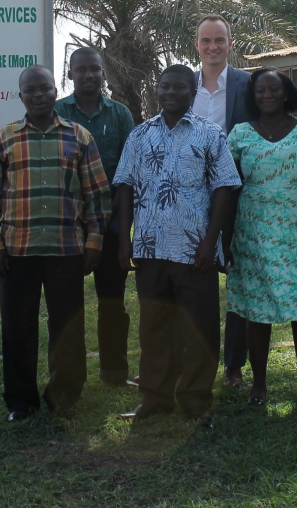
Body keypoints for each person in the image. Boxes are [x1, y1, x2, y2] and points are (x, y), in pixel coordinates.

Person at [0, 65, 112, 422]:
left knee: (66, 327)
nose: (38, 95)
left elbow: (98, 196)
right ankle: (20, 402)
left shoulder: (79, 137)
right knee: (17, 328)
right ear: (20, 95)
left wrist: (95, 243)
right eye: (30, 90)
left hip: (67, 250)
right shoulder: (2, 139)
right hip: (16, 251)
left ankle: (65, 394)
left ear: (56, 91)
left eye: (45, 89)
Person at [114, 64, 241, 427]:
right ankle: (156, 397)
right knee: (153, 327)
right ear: (157, 90)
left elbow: (223, 189)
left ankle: (196, 399)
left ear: (193, 92)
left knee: (198, 328)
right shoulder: (139, 136)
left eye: (179, 88)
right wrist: (125, 241)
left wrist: (210, 242)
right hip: (150, 249)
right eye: (165, 87)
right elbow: (124, 187)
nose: (171, 93)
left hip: (194, 253)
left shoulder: (209, 134)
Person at [223, 68, 297, 408]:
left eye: (274, 89)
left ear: (286, 93)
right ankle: (258, 385)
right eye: (261, 90)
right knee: (256, 312)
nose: (268, 95)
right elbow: (229, 190)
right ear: (252, 96)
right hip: (252, 234)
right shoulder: (240, 134)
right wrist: (225, 239)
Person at [54, 47, 137, 388]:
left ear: (104, 73)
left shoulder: (120, 115)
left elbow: (130, 170)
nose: (89, 75)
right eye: (81, 69)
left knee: (112, 302)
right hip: (69, 224)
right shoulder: (57, 111)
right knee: (66, 305)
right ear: (70, 74)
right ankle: (69, 375)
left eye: (95, 69)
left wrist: (112, 216)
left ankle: (114, 371)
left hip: (114, 222)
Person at [193, 14, 253, 388]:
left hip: (239, 195)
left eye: (219, 40)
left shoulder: (248, 84)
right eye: (206, 41)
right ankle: (194, 359)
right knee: (192, 280)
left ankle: (234, 364)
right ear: (196, 45)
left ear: (230, 43)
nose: (213, 47)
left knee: (239, 278)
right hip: (192, 197)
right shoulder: (184, 85)